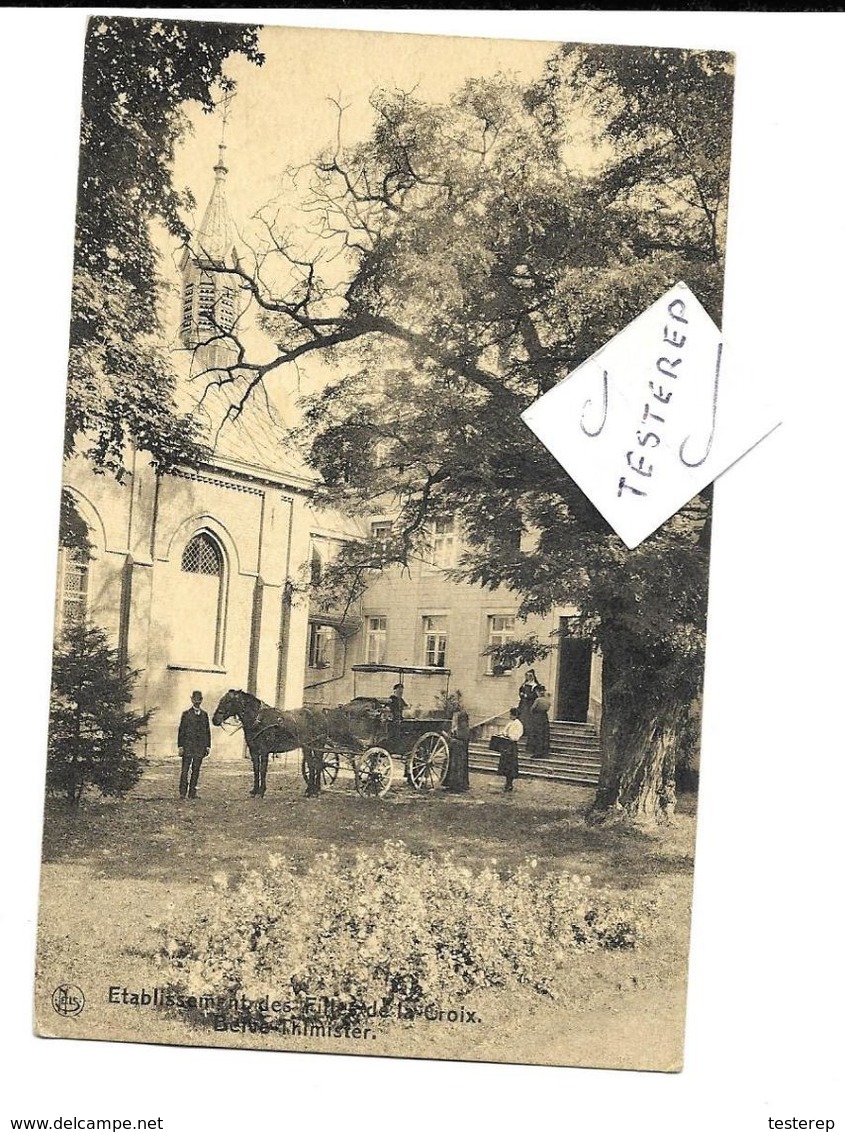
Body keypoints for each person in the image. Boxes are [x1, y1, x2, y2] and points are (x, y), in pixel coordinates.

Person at [177, 690, 211, 799]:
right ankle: (182, 792)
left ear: (201, 700)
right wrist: (180, 746)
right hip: (187, 747)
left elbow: (207, 731)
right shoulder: (186, 714)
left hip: (199, 748)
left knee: (196, 770)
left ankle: (192, 792)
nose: (197, 702)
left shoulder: (204, 715)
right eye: (195, 699)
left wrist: (207, 746)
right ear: (191, 700)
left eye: (199, 699)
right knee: (185, 770)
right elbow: (181, 731)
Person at [443, 709, 471, 793]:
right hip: (454, 749)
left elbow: (462, 739)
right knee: (452, 766)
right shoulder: (458, 726)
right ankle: (452, 785)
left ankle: (458, 785)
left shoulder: (463, 726)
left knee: (457, 766)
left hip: (459, 751)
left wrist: (450, 738)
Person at [497, 707, 523, 793]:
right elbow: (505, 731)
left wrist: (509, 736)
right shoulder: (511, 723)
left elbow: (516, 736)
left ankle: (510, 783)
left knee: (511, 765)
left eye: (511, 714)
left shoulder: (518, 724)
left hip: (511, 746)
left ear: (515, 715)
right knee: (505, 764)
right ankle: (507, 783)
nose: (510, 716)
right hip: (506, 745)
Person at [527, 684, 551, 758]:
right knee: (544, 734)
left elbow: (532, 709)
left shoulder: (538, 700)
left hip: (537, 717)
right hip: (545, 717)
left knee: (537, 734)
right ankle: (544, 752)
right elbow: (548, 707)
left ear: (538, 692)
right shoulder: (547, 700)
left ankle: (537, 752)